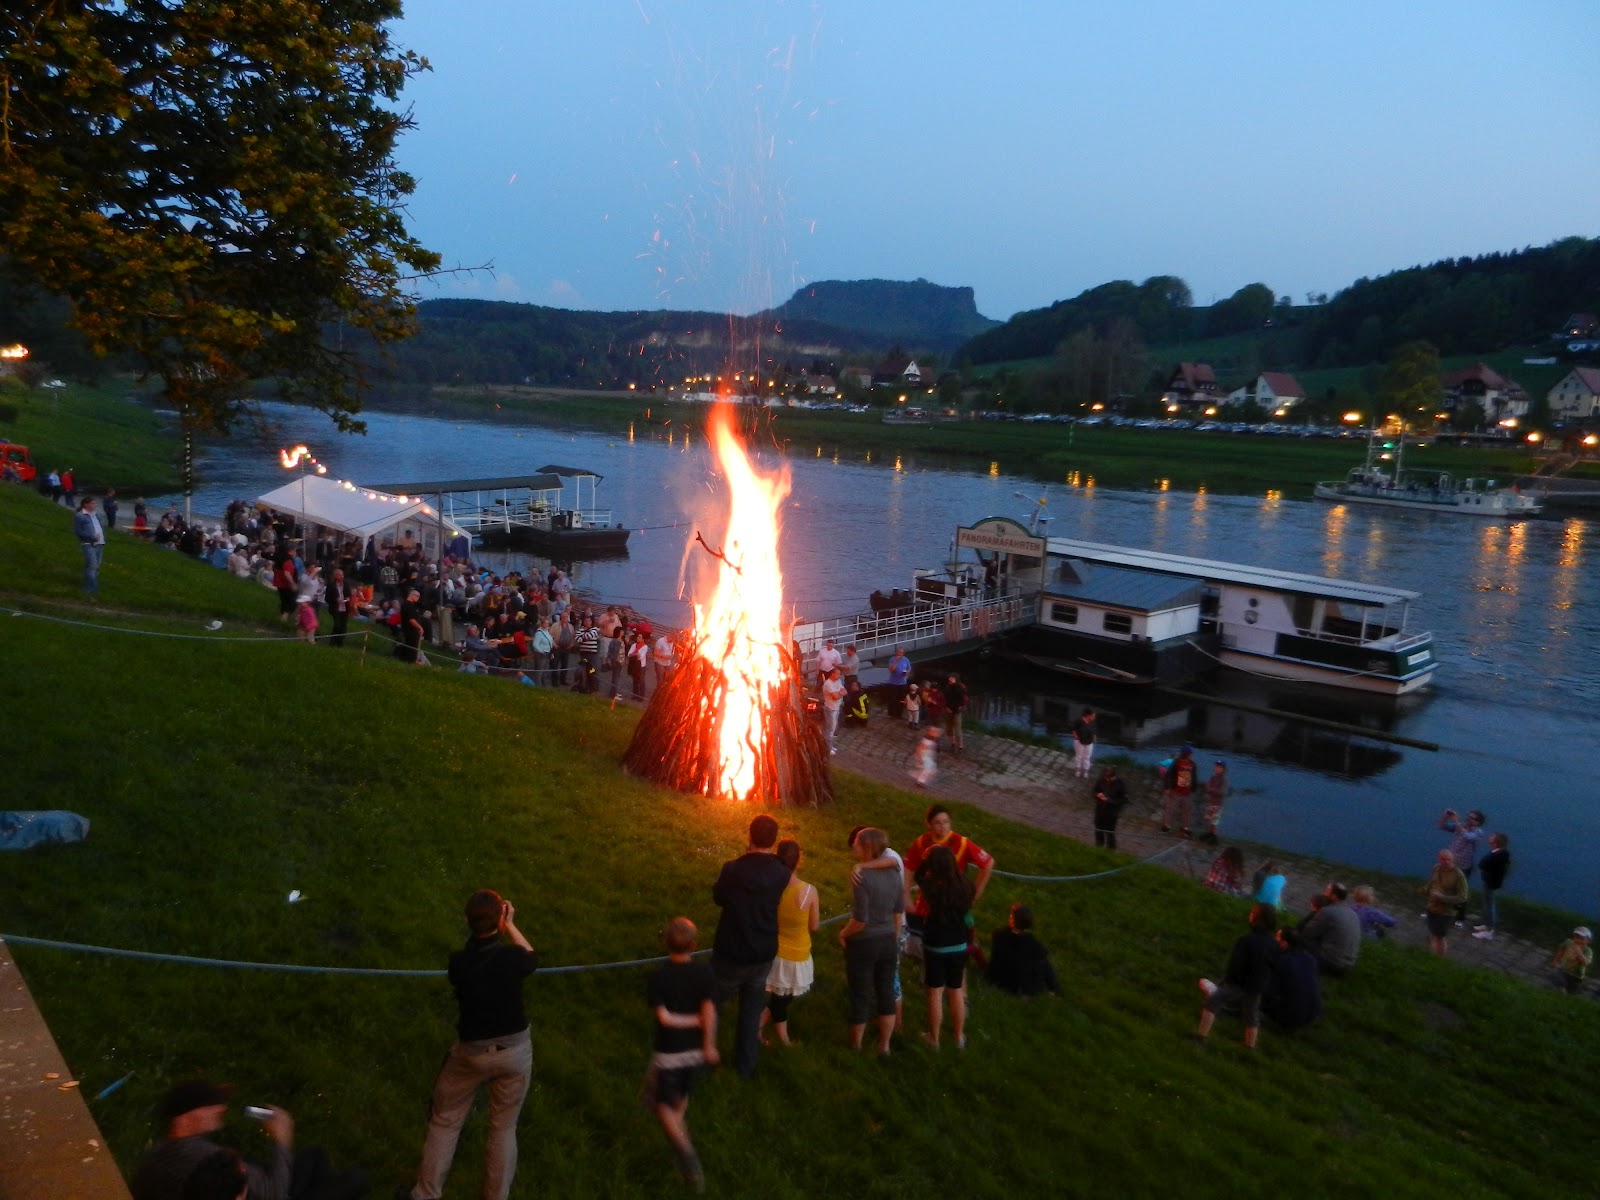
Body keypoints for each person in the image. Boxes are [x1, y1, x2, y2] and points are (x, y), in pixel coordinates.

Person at [401, 890, 538, 1200]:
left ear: (466, 920)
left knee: (446, 1121)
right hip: (514, 1053)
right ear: (500, 918)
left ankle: (425, 1194)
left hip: (472, 1054)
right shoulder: (512, 958)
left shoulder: (458, 964)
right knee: (503, 1128)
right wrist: (510, 926)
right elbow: (531, 957)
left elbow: (477, 960)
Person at [130, 1078, 366, 1200]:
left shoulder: (160, 1154)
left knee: (314, 1156)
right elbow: (273, 1194)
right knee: (355, 1179)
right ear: (184, 1120)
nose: (221, 1108)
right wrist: (281, 1140)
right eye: (211, 1105)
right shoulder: (206, 1160)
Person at [709, 814, 792, 1079]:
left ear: (749, 836)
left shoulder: (732, 869)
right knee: (750, 1010)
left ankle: (701, 1056)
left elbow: (719, 897)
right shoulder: (782, 873)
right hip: (763, 951)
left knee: (711, 1003)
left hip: (732, 952)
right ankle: (745, 1067)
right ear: (774, 840)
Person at [644, 917, 718, 1193]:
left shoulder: (658, 978)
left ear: (665, 943)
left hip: (669, 1055)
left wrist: (691, 1021)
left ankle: (687, 1156)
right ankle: (681, 1158)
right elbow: (710, 1012)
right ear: (694, 945)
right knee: (677, 1107)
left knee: (661, 1106)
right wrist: (709, 1044)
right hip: (696, 1054)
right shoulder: (705, 974)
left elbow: (664, 1018)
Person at [838, 827, 903, 1056]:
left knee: (860, 992)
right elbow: (898, 909)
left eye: (856, 842)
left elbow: (860, 920)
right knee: (885, 992)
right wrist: (893, 938)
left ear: (866, 847)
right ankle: (884, 1046)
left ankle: (855, 1047)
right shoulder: (895, 873)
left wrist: (843, 933)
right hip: (887, 940)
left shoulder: (861, 876)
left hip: (865, 943)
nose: (853, 845)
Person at [913, 844, 974, 1049]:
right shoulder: (966, 885)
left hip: (936, 944)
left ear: (932, 866)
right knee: (956, 990)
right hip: (959, 943)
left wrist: (926, 857)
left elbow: (918, 874)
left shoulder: (930, 886)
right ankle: (959, 1037)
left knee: (935, 992)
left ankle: (934, 1038)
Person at [1196, 902, 1280, 1049]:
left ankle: (1201, 1036)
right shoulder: (1274, 944)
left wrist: (1228, 981)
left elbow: (1236, 964)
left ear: (1256, 919)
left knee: (1213, 1002)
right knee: (1251, 1015)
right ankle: (1249, 1046)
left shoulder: (1246, 941)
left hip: (1239, 983)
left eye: (1252, 913)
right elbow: (1274, 966)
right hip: (1257, 986)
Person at [762, 838, 820, 1046]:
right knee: (781, 1000)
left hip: (774, 950)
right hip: (796, 954)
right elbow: (814, 926)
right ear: (799, 860)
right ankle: (782, 1040)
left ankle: (757, 1028)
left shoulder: (771, 887)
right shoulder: (808, 891)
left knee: (780, 998)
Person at [986, 903, 1060, 996]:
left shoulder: (998, 935)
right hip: (1017, 987)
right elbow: (1042, 955)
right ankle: (1054, 988)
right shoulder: (1031, 943)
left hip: (997, 979)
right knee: (1043, 963)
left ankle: (1053, 988)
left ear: (1012, 920)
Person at [1261, 929, 1323, 1034]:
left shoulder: (1284, 962)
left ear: (1284, 944)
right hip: (1312, 1015)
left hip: (1291, 1016)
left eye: (1277, 937)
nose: (1273, 939)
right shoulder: (1310, 959)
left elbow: (1269, 991)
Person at [1297, 882, 1361, 977]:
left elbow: (1306, 933)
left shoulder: (1328, 911)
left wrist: (1314, 912)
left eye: (1326, 891)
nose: (1323, 894)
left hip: (1331, 964)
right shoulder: (1353, 913)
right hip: (1348, 966)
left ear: (1334, 897)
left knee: (1299, 937)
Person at [1438, 808, 1486, 925]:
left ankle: (1460, 918)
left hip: (1464, 866)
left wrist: (1456, 822)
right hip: (1450, 863)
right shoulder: (1461, 826)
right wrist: (1445, 817)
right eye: (1469, 816)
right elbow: (1441, 826)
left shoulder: (1478, 832)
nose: (1469, 819)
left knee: (1460, 892)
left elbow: (1468, 837)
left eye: (1472, 818)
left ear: (1478, 822)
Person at [1420, 849, 1469, 957]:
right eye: (1443, 859)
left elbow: (1463, 897)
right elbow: (1431, 883)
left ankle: (1440, 959)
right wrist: (1425, 890)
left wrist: (1442, 897)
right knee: (1432, 932)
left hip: (1446, 911)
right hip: (1432, 907)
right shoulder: (1436, 868)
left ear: (1453, 860)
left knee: (1440, 936)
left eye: (1448, 859)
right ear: (1439, 859)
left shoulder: (1458, 876)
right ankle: (1432, 954)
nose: (1446, 862)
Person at [1473, 833, 1511, 940]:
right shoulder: (1498, 853)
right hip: (1489, 882)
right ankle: (1487, 925)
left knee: (1489, 906)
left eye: (1492, 837)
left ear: (1496, 841)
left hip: (1491, 883)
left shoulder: (1498, 854)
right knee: (1487, 904)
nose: (1489, 837)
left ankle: (1489, 931)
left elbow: (1483, 864)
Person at [1161, 745, 1197, 836]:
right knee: (1171, 809)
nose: (1192, 755)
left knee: (1186, 811)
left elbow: (1194, 776)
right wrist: (1167, 788)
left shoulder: (1192, 764)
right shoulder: (1177, 763)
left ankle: (1185, 828)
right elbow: (1168, 775)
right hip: (1176, 790)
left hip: (1187, 792)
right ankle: (1167, 826)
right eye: (1190, 754)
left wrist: (1193, 787)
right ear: (1186, 754)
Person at [1090, 764, 1128, 850]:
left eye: (1109, 778)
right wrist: (1097, 795)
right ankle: (1099, 846)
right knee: (1098, 829)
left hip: (1111, 812)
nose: (1107, 780)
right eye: (1106, 778)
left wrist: (1109, 800)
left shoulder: (1120, 784)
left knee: (1110, 832)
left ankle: (1111, 849)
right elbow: (1094, 790)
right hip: (1100, 810)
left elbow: (1123, 800)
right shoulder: (1101, 780)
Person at [73, 495, 105, 595]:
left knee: (96, 567)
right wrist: (91, 536)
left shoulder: (96, 515)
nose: (95, 505)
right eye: (93, 503)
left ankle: (90, 586)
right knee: (92, 566)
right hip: (89, 544)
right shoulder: (80, 516)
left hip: (99, 544)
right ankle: (91, 589)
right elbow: (78, 531)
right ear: (86, 504)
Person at [1551, 926, 1592, 994]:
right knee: (1556, 977)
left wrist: (1579, 952)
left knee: (1572, 991)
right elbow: (1561, 950)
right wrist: (1555, 960)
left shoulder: (1588, 950)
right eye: (1576, 937)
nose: (1578, 940)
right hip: (1564, 969)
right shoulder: (1568, 942)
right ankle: (1561, 990)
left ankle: (1566, 991)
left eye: (1581, 939)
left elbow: (1586, 963)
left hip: (1577, 975)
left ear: (1588, 941)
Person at [1201, 760, 1228, 844]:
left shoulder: (1223, 780)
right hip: (1211, 802)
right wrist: (1211, 789)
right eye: (1216, 766)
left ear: (1223, 769)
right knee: (1209, 819)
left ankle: (1214, 837)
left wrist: (1212, 790)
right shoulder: (1212, 777)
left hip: (1218, 804)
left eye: (1219, 767)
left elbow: (1222, 792)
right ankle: (1209, 834)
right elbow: (1207, 787)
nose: (1216, 768)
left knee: (1214, 821)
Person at [820, 667, 845, 753]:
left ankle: (830, 745)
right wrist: (840, 693)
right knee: (830, 729)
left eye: (839, 674)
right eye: (837, 674)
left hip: (837, 707)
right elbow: (836, 696)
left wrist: (839, 693)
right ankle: (827, 747)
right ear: (832, 674)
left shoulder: (838, 681)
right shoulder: (828, 684)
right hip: (830, 708)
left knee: (833, 728)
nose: (839, 675)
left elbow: (845, 691)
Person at [943, 672, 968, 755]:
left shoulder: (961, 687)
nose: (949, 680)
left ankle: (960, 746)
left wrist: (961, 706)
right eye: (949, 678)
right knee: (949, 729)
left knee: (957, 730)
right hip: (948, 710)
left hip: (957, 712)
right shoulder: (947, 687)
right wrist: (946, 707)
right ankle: (952, 744)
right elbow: (945, 698)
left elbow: (964, 699)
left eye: (952, 678)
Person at [326, 568, 352, 649]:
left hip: (345, 608)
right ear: (335, 576)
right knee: (337, 625)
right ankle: (332, 642)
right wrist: (335, 600)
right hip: (335, 608)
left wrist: (348, 598)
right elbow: (327, 598)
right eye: (339, 575)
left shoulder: (346, 584)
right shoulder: (331, 585)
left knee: (343, 626)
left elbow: (349, 594)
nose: (341, 576)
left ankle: (340, 642)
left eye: (342, 575)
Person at [908, 724, 941, 788]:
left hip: (928, 757)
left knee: (931, 769)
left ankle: (920, 778)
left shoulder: (932, 740)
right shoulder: (926, 741)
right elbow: (919, 749)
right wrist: (919, 758)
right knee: (928, 769)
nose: (937, 734)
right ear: (930, 733)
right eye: (935, 732)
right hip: (924, 757)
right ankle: (920, 781)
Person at [1071, 708, 1096, 779]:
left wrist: (1094, 739)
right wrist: (1077, 738)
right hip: (1079, 741)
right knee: (1079, 756)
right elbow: (1074, 730)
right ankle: (1078, 771)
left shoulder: (1092, 723)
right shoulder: (1078, 721)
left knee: (1087, 757)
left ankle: (1085, 772)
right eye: (1093, 716)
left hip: (1089, 742)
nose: (1094, 717)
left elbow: (1094, 732)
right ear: (1088, 715)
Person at [886, 646, 911, 716]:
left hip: (902, 682)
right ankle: (891, 713)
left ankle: (899, 714)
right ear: (896, 652)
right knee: (892, 698)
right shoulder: (892, 659)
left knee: (901, 699)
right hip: (893, 682)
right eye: (898, 652)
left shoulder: (906, 660)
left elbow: (909, 668)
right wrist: (896, 661)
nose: (899, 654)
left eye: (901, 652)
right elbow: (891, 670)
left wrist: (907, 673)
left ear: (903, 653)